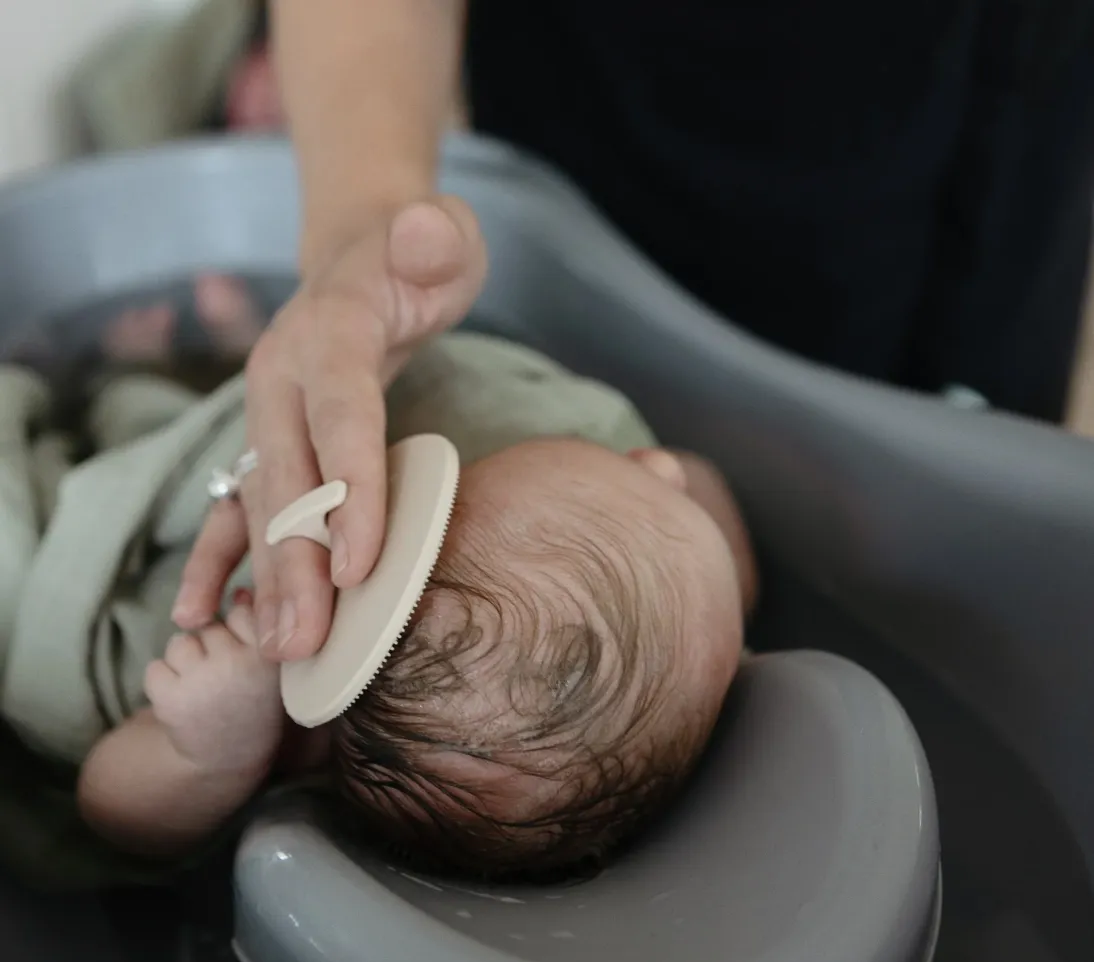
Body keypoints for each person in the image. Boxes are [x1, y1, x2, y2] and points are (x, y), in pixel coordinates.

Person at [174, 1, 1094, 687]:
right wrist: (355, 236)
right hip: (622, 133)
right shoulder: (580, 404)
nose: (659, 471)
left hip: (1008, 84)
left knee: (962, 467)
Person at [0, 281, 754, 883]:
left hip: (161, 549)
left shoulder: (285, 729)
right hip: (247, 443)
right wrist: (703, 528)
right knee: (271, 420)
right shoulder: (701, 633)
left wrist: (206, 755)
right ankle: (216, 359)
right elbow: (703, 494)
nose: (654, 462)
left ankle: (133, 374)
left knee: (131, 433)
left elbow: (112, 812)